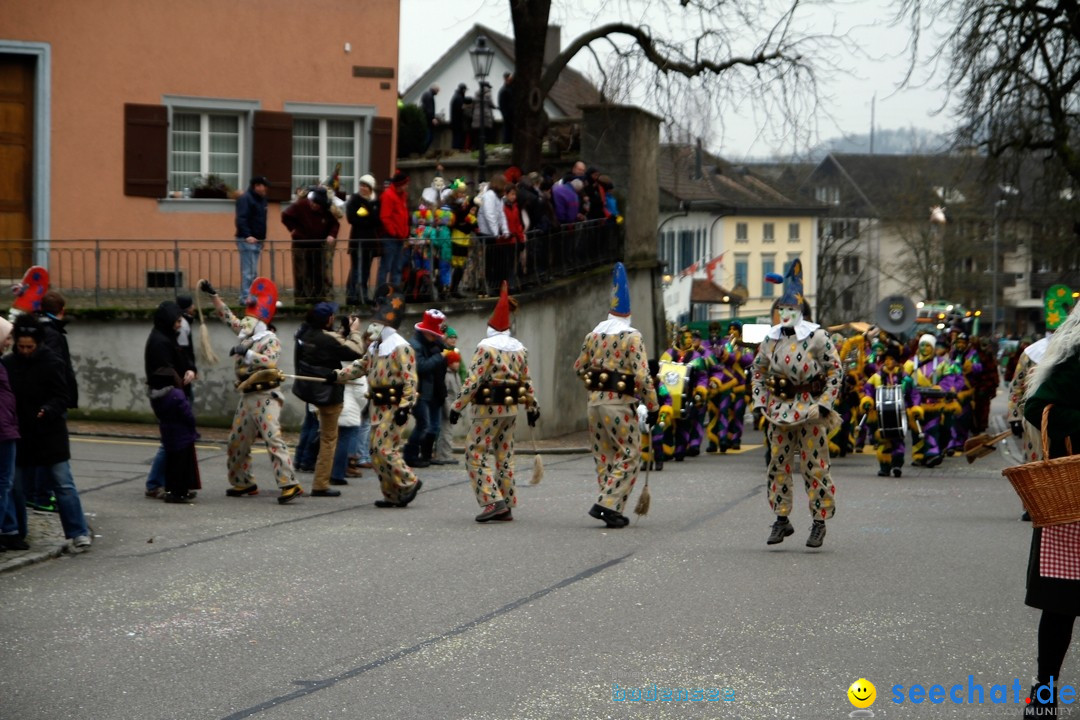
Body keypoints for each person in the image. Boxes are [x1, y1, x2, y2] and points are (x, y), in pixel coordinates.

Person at [750, 259, 842, 548]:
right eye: (782, 309)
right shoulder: (771, 339)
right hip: (778, 409)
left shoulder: (817, 337)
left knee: (815, 466)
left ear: (801, 311)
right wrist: (759, 402)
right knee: (777, 465)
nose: (785, 314)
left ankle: (819, 521)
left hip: (810, 409)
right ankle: (781, 519)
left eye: (791, 309)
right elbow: (757, 372)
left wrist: (825, 403)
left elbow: (835, 370)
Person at [1020, 304, 1080, 716]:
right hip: (1072, 497)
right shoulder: (1074, 356)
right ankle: (1045, 692)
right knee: (1061, 605)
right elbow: (1036, 405)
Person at [200, 278, 304, 504]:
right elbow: (227, 317)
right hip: (247, 395)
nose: (243, 323)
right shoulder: (247, 334)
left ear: (258, 322)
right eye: (244, 319)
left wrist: (248, 354)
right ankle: (243, 481)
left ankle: (289, 483)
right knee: (237, 440)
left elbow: (270, 361)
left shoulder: (270, 340)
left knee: (272, 438)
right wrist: (214, 295)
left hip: (266, 395)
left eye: (248, 320)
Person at [574, 263, 658, 529]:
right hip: (619, 403)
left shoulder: (593, 335)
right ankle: (607, 503)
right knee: (630, 454)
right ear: (629, 311)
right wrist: (653, 405)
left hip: (594, 403)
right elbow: (642, 376)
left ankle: (611, 508)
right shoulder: (632, 337)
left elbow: (578, 368)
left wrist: (594, 385)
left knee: (604, 455)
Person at [449, 282, 538, 522]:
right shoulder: (519, 350)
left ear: (490, 327)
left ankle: (492, 501)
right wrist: (532, 406)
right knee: (505, 454)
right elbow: (526, 380)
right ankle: (506, 502)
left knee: (474, 453)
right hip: (510, 408)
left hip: (487, 409)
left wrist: (457, 406)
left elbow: (473, 380)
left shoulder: (485, 348)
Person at [4, 314, 92, 550]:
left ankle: (78, 532)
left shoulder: (52, 362)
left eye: (29, 347)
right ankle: (17, 533)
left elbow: (62, 396)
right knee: (16, 487)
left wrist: (49, 409)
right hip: (21, 433)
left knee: (63, 483)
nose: (24, 351)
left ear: (38, 344)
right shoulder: (9, 364)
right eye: (21, 346)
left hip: (49, 433)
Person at [332, 288, 423, 508]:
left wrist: (405, 406)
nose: (369, 327)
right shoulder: (375, 346)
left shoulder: (401, 347)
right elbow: (361, 366)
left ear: (383, 325)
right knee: (374, 451)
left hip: (394, 405)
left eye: (374, 323)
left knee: (384, 448)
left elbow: (410, 379)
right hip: (377, 405)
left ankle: (410, 481)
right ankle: (391, 493)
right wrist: (336, 376)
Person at [292, 302, 365, 496]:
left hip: (310, 391)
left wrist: (341, 332)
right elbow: (357, 352)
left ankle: (304, 463)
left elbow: (332, 342)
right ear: (329, 319)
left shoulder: (304, 334)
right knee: (329, 439)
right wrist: (355, 332)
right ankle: (320, 484)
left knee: (314, 429)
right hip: (329, 394)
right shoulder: (328, 339)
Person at [144, 301, 199, 503]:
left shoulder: (167, 337)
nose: (179, 324)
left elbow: (182, 360)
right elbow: (164, 370)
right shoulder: (160, 341)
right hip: (169, 396)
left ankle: (172, 485)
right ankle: (158, 485)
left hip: (172, 394)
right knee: (172, 443)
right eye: (176, 321)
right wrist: (179, 385)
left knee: (174, 442)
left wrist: (189, 370)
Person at [403, 309, 448, 468]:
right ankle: (410, 455)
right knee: (424, 424)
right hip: (421, 391)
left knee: (434, 426)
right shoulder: (415, 345)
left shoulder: (432, 343)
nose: (436, 337)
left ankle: (426, 456)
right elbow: (420, 366)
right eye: (433, 334)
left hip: (435, 391)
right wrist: (438, 357)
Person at [281, 185, 338, 304]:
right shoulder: (301, 205)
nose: (313, 205)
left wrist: (331, 235)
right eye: (312, 202)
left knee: (318, 274)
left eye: (316, 204)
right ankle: (301, 300)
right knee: (301, 273)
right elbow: (285, 216)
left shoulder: (326, 211)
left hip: (318, 246)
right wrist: (293, 230)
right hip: (301, 245)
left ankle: (318, 299)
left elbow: (335, 224)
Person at [0, 318, 23, 552]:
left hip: (6, 429)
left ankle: (10, 529)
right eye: (7, 337)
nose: (10, 342)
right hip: (3, 431)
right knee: (3, 483)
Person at [330, 357, 368, 487]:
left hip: (336, 405)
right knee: (345, 443)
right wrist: (362, 407)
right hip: (350, 410)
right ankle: (338, 473)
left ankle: (327, 472)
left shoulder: (336, 364)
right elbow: (362, 394)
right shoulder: (356, 369)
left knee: (331, 441)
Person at [345, 174, 381, 306]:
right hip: (357, 239)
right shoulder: (355, 200)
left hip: (370, 241)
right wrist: (367, 216)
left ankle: (364, 295)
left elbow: (376, 220)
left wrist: (367, 214)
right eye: (361, 185)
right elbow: (352, 218)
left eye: (365, 186)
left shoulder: (375, 201)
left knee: (366, 269)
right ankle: (352, 295)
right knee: (356, 268)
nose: (362, 188)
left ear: (371, 188)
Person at [235, 175, 269, 302]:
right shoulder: (246, 199)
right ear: (257, 186)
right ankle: (245, 297)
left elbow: (261, 220)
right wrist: (247, 235)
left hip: (256, 240)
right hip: (247, 240)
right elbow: (241, 219)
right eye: (263, 186)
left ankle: (251, 296)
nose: (265, 189)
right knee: (248, 271)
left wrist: (262, 238)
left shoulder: (261, 200)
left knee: (253, 272)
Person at [378, 171, 411, 289]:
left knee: (397, 267)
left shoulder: (403, 195)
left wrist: (405, 232)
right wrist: (394, 232)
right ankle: (381, 294)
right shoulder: (388, 195)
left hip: (400, 237)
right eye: (406, 184)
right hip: (390, 237)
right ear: (400, 184)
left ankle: (395, 295)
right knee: (386, 267)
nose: (407, 186)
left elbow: (403, 216)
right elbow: (385, 217)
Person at [434, 349, 462, 465]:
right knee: (445, 432)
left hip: (453, 406)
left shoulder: (455, 375)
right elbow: (446, 395)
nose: (457, 364)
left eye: (458, 361)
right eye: (455, 361)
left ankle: (445, 454)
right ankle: (444, 455)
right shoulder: (447, 375)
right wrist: (449, 410)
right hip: (448, 407)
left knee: (447, 432)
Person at [420, 84, 439, 151]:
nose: (438, 92)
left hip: (426, 119)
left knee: (428, 136)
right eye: (438, 90)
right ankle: (422, 151)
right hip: (428, 120)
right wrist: (433, 118)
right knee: (429, 137)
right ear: (434, 89)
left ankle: (422, 151)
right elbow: (429, 109)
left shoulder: (426, 94)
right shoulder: (430, 96)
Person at [449, 83, 468, 150]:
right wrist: (465, 107)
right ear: (463, 90)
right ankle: (457, 151)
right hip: (458, 122)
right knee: (458, 138)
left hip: (455, 122)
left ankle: (456, 150)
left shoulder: (456, 96)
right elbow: (460, 109)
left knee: (456, 137)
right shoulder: (458, 97)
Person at [497, 72, 514, 143]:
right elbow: (502, 104)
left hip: (511, 113)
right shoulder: (504, 90)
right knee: (508, 131)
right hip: (508, 114)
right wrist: (505, 114)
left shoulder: (510, 88)